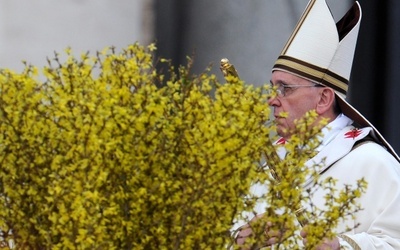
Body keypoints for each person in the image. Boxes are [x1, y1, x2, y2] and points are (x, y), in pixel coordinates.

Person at [236, 0, 400, 249]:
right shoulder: (270, 164)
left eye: (285, 88)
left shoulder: (373, 163)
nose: (273, 100)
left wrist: (341, 246)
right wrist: (242, 241)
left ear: (324, 98)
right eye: (273, 87)